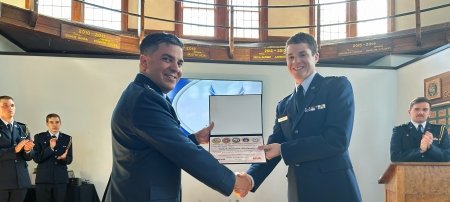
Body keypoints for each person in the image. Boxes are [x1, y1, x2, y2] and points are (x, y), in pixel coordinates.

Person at [104, 32, 250, 202]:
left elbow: (160, 146)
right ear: (144, 62)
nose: (176, 69)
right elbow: (183, 151)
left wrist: (194, 138)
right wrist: (232, 181)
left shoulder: (145, 93)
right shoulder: (144, 99)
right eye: (167, 59)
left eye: (179, 62)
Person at [241, 32, 362, 202]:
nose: (296, 61)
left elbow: (337, 140)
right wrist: (249, 178)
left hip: (334, 190)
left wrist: (283, 149)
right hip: (299, 192)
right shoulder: (283, 106)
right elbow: (272, 147)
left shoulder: (336, 87)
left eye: (302, 54)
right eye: (290, 57)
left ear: (316, 57)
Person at [390, 97, 450, 162]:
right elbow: (395, 158)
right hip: (408, 171)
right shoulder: (399, 130)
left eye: (425, 109)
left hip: (434, 171)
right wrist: (420, 150)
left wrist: (430, 147)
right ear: (409, 112)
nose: (420, 112)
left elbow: (447, 157)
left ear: (430, 113)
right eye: (416, 109)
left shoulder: (440, 130)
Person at [0, 95, 34, 202]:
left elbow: (28, 157)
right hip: (2, 179)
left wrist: (28, 150)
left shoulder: (22, 128)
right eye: (5, 105)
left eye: (12, 105)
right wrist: (15, 150)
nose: (9, 108)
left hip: (20, 180)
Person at [33, 113, 73, 202]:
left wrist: (64, 158)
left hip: (60, 180)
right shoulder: (39, 137)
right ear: (47, 124)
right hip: (43, 179)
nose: (55, 125)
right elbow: (36, 158)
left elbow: (70, 159)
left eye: (57, 122)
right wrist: (50, 148)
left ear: (60, 123)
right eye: (51, 122)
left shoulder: (67, 138)